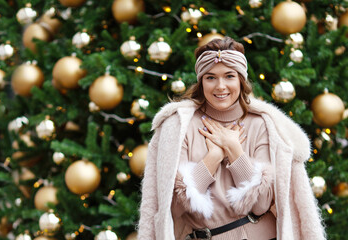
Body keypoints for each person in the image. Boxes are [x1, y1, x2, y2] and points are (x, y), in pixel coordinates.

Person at [138, 37, 326, 240]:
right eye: (211, 77)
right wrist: (214, 157)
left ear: (241, 80)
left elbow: (262, 203)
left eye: (229, 76)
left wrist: (234, 149)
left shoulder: (261, 124)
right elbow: (171, 207)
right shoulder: (179, 126)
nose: (220, 86)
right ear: (201, 82)